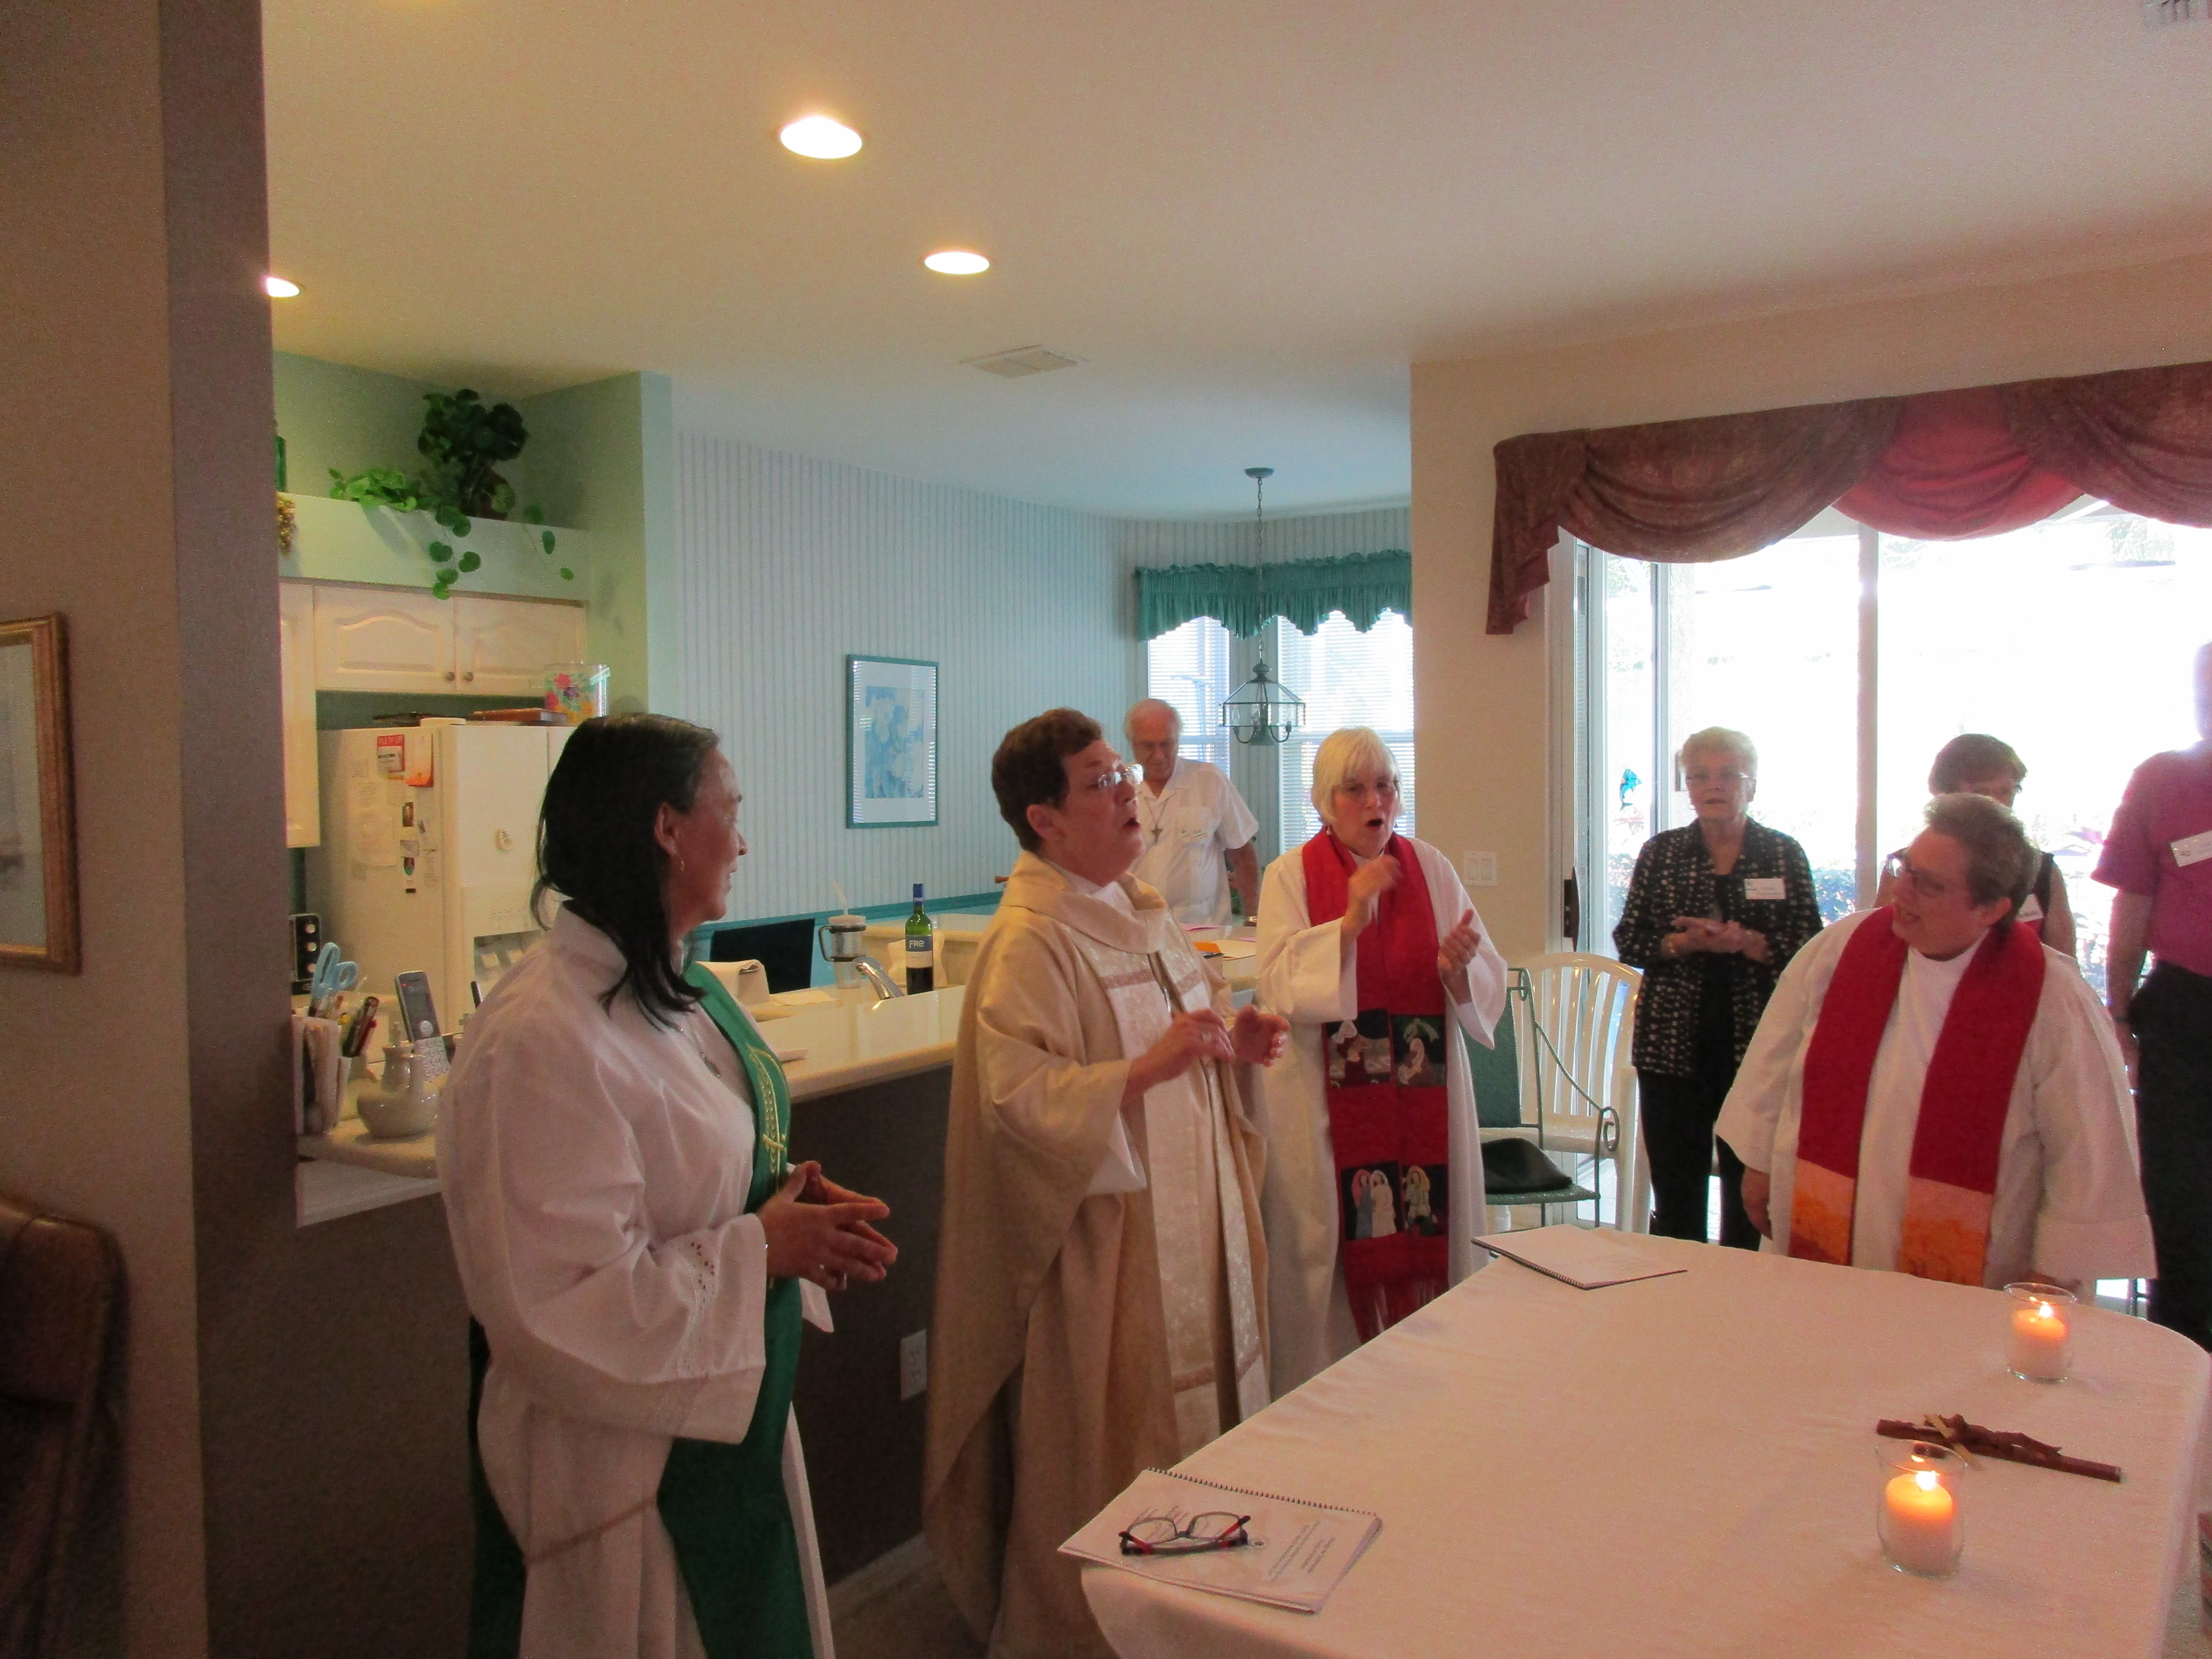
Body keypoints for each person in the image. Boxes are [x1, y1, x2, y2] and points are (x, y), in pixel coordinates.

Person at [439, 714, 898, 1659]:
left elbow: (697, 1171)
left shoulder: (676, 993)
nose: (743, 841)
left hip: (720, 1425)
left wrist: (784, 1205)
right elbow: (557, 1306)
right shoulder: (540, 1037)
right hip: (622, 1467)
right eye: (730, 811)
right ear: (666, 828)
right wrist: (761, 1249)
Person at [924, 708, 1290, 1659]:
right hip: (1112, 1255)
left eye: (1121, 773)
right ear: (1044, 820)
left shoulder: (1144, 912)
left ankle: (1212, 1608)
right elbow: (1016, 1102)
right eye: (1100, 782)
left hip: (1196, 1223)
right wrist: (1141, 1070)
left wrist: (1233, 1046)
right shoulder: (1030, 942)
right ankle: (1102, 1630)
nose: (1129, 791)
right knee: (1115, 1441)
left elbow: (1191, 1030)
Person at [1717, 793, 2153, 1290]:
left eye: (1927, 884)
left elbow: (2086, 1150)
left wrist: (2055, 1273)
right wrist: (1758, 1164)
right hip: (1821, 1243)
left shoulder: (2053, 999)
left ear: (1990, 908)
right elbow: (1773, 1060)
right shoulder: (1841, 948)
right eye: (1905, 867)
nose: (1901, 890)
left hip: (1975, 1281)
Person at [1253, 726, 1507, 1395]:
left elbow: (1487, 974)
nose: (1376, 801)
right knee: (1327, 1252)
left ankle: (1435, 1382)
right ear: (1324, 802)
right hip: (1324, 1109)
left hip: (1425, 1104)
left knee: (1431, 1230)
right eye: (1356, 789)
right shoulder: (1290, 876)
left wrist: (1458, 972)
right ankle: (1328, 1394)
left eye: (1387, 786)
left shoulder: (1431, 868)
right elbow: (1276, 985)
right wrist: (1348, 924)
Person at [1614, 728, 1823, 1247]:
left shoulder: (1781, 854)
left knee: (1747, 1200)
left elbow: (1810, 949)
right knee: (1677, 1199)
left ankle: (1740, 1294)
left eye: (1728, 774)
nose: (1713, 786)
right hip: (1671, 1052)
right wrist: (1682, 944)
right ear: (1686, 787)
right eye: (1699, 776)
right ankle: (1678, 1292)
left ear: (1751, 785)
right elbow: (1629, 939)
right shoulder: (1661, 853)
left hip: (1757, 1051)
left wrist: (1746, 943)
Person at [2095, 642, 2212, 1349]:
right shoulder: (2163, 778)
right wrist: (2118, 1009)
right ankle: (2182, 1354)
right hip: (2185, 1007)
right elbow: (2133, 901)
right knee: (2179, 1194)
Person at [1874, 733, 2075, 956]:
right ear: (1946, 795)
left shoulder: (2042, 870)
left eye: (2006, 792)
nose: (1998, 804)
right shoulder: (1903, 867)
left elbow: (2065, 960)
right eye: (1981, 793)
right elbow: (1879, 948)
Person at [1124, 698, 1261, 926]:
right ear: (1132, 743)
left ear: (1178, 740)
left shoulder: (1209, 780)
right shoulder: (1118, 788)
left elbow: (1243, 853)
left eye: (1167, 744)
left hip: (1204, 927)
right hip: (1138, 927)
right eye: (1149, 746)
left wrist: (1253, 918)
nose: (1159, 755)